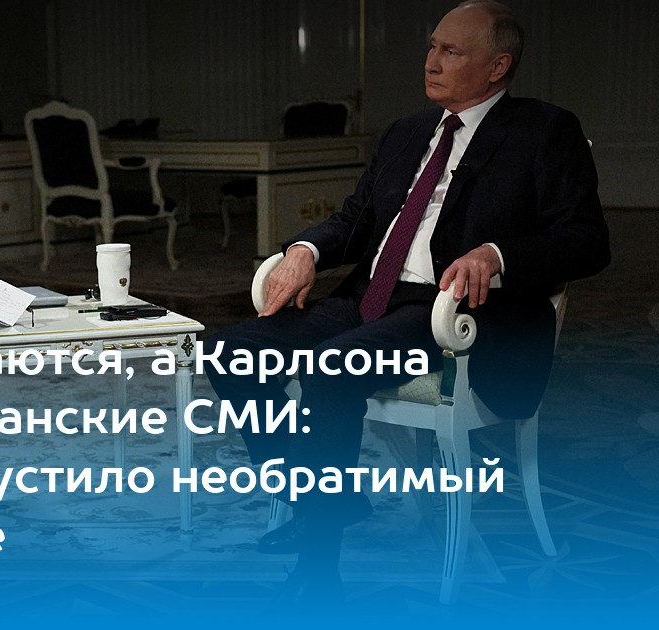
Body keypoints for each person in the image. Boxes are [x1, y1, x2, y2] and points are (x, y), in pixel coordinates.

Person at [206, 0, 609, 603]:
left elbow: (586, 239)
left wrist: (496, 255)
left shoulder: (544, 131)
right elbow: (355, 218)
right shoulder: (408, 131)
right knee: (229, 351)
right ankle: (319, 495)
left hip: (453, 314)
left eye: (451, 51)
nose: (431, 61)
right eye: (432, 46)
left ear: (498, 66)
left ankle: (317, 567)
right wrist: (304, 250)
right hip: (371, 296)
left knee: (332, 369)